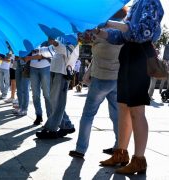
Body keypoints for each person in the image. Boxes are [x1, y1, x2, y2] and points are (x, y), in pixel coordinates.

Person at [96, 0, 164, 174]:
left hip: (140, 57)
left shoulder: (152, 2)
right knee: (123, 108)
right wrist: (100, 32)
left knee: (136, 110)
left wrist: (109, 22)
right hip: (128, 56)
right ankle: (121, 154)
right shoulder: (137, 3)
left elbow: (143, 32)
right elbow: (121, 36)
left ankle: (139, 160)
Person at [69, 9, 126, 159]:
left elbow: (95, 54)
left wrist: (87, 75)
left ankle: (81, 149)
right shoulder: (122, 34)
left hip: (100, 79)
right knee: (116, 116)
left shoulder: (101, 33)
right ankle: (119, 147)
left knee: (88, 115)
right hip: (116, 80)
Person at [35, 36, 78, 139]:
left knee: (57, 102)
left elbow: (69, 52)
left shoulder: (72, 36)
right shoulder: (60, 36)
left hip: (62, 72)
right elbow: (51, 51)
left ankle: (50, 129)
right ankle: (66, 125)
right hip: (55, 70)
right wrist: (38, 50)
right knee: (55, 102)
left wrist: (55, 43)